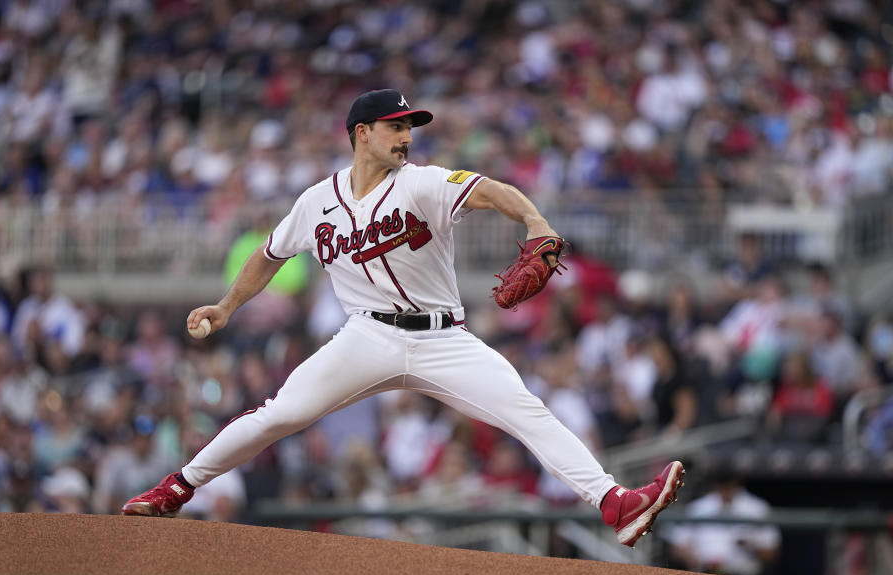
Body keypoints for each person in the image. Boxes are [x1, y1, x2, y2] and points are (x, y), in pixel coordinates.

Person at [121, 89, 684, 547]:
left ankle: (617, 505)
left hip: (444, 338)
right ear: (361, 133)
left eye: (409, 126)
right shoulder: (315, 200)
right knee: (279, 413)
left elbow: (489, 191)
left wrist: (535, 221)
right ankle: (177, 487)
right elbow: (270, 255)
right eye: (395, 126)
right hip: (366, 335)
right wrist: (226, 306)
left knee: (525, 409)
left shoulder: (421, 182)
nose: (407, 136)